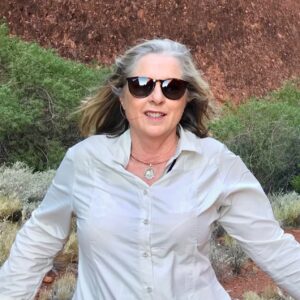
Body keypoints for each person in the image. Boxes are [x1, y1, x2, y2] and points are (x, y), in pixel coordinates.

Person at [0, 38, 300, 300]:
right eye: (141, 85)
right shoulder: (85, 162)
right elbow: (37, 243)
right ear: (122, 94)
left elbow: (272, 248)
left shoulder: (215, 162)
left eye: (172, 87)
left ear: (186, 99)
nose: (156, 96)